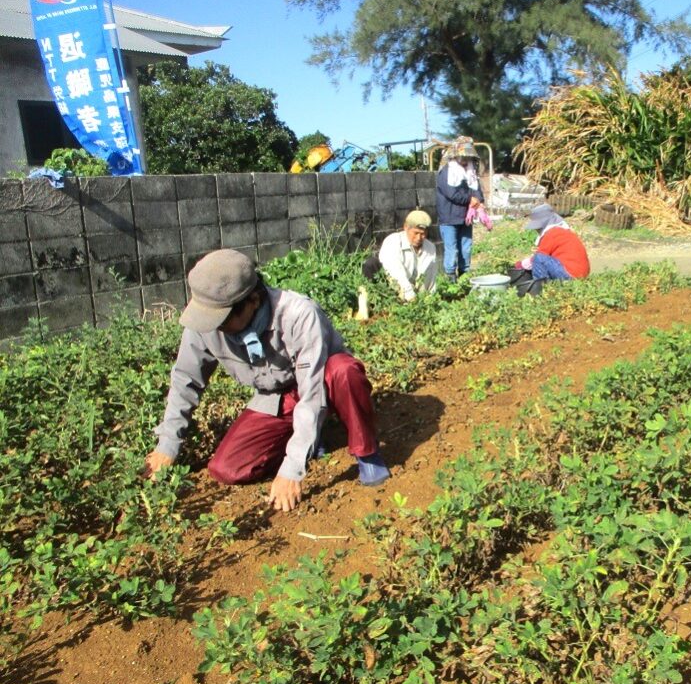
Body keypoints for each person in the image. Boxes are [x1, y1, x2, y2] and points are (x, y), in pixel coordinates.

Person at [142, 249, 390, 513]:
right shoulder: (206, 322)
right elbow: (186, 379)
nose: (215, 327)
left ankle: (366, 451)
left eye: (222, 319)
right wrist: (168, 444)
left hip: (322, 382)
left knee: (343, 370)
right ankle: (311, 438)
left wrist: (293, 469)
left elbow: (312, 393)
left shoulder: (298, 314)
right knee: (227, 468)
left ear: (253, 300)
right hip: (277, 396)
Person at [363, 210, 438, 302]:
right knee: (371, 264)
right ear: (406, 227)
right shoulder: (393, 241)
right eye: (415, 233)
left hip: (415, 291)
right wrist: (410, 296)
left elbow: (431, 276)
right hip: (391, 286)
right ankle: (375, 301)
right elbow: (396, 272)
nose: (419, 238)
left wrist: (430, 298)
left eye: (423, 234)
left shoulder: (430, 247)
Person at [435, 136, 483, 280]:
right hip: (449, 218)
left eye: (467, 156)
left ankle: (464, 279)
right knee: (452, 250)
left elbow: (477, 190)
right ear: (455, 154)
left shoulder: (471, 171)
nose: (465, 159)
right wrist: (470, 199)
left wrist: (478, 200)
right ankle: (450, 282)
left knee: (466, 249)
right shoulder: (446, 172)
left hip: (465, 218)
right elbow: (452, 194)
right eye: (463, 156)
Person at [518, 203, 591, 282]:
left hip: (570, 274)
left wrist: (520, 265)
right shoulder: (562, 231)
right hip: (580, 273)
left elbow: (539, 257)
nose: (537, 230)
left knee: (539, 258)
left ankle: (540, 284)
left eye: (538, 227)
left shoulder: (552, 234)